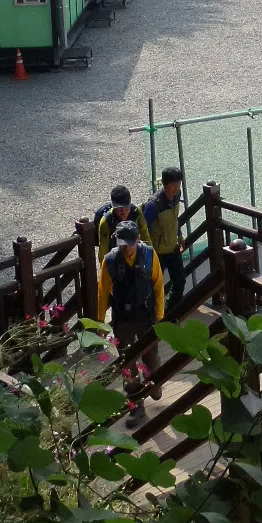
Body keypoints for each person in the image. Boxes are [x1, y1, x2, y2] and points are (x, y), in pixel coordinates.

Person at [97, 222, 164, 418]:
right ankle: (136, 405)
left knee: (152, 358)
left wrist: (160, 315)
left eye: (129, 243)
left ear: (138, 240)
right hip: (123, 319)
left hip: (145, 316)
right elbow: (102, 293)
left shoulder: (149, 255)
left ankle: (154, 382)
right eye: (122, 243)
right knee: (127, 364)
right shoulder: (109, 261)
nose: (126, 248)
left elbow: (158, 285)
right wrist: (101, 322)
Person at [143, 167, 186, 310]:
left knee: (180, 281)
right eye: (173, 185)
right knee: (154, 287)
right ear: (165, 184)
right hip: (158, 253)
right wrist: (149, 251)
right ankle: (154, 316)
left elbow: (174, 219)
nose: (176, 188)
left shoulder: (176, 197)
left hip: (172, 247)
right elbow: (143, 229)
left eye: (179, 184)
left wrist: (179, 235)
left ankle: (170, 312)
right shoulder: (153, 205)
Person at [97, 185, 150, 263]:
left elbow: (145, 235)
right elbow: (103, 250)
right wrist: (105, 269)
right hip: (116, 260)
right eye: (118, 207)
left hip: (136, 257)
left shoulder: (136, 212)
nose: (123, 211)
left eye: (126, 206)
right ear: (113, 206)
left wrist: (149, 258)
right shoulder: (106, 222)